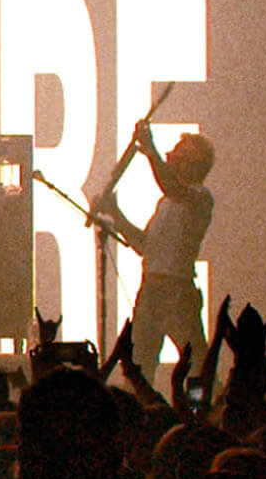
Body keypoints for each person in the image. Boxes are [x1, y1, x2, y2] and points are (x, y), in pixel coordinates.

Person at [92, 121, 215, 379]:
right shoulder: (166, 202)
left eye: (176, 154)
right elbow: (144, 245)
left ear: (191, 163)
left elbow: (173, 187)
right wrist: (115, 212)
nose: (169, 158)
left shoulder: (200, 198)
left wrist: (151, 150)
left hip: (176, 292)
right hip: (150, 291)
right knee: (139, 364)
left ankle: (203, 408)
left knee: (197, 362)